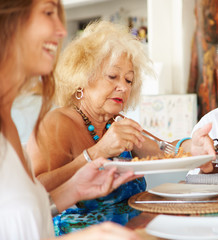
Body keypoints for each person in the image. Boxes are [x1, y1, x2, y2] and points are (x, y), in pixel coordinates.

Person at [27, 20, 215, 235]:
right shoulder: (56, 123)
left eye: (129, 80)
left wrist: (193, 146)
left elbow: (163, 151)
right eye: (113, 76)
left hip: (135, 232)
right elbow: (32, 190)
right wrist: (97, 152)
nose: (123, 87)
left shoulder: (115, 122)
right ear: (82, 77)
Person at [0, 0, 142, 239]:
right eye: (48, 12)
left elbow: (30, 220)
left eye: (128, 80)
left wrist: (74, 189)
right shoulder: (54, 122)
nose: (62, 30)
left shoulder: (8, 125)